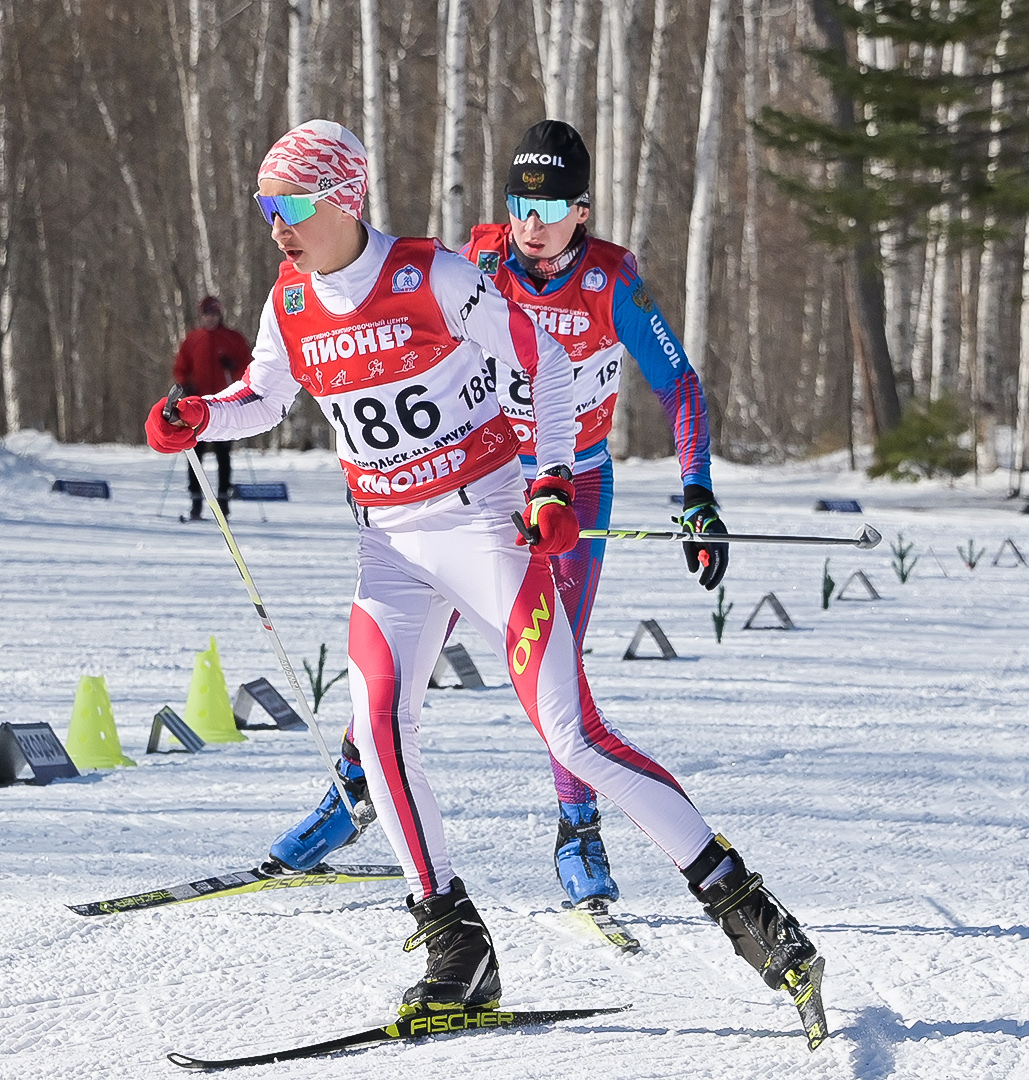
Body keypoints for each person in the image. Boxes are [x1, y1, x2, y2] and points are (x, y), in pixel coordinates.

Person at [145, 119, 819, 1030]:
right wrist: (197, 417)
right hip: (388, 546)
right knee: (380, 728)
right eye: (268, 207)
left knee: (572, 735)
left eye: (293, 205)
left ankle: (745, 907)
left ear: (346, 200)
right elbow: (265, 396)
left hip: (484, 526)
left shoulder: (435, 276)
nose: (277, 225)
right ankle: (456, 945)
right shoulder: (289, 300)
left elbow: (538, 365)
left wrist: (547, 480)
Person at [265, 120, 730, 918]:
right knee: (403, 645)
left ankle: (577, 827)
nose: (532, 222)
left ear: (582, 211)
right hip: (482, 479)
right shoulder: (475, 260)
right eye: (520, 202)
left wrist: (697, 491)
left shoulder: (616, 281)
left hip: (572, 485)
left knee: (558, 660)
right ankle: (353, 793)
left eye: (551, 207)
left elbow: (679, 385)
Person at [171, 296, 253, 519]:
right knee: (195, 452)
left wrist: (234, 367)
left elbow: (247, 369)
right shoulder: (193, 339)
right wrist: (184, 384)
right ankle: (196, 501)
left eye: (215, 314)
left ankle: (223, 501)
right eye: (208, 314)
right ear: (202, 315)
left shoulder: (232, 338)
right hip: (197, 405)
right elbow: (181, 367)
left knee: (223, 453)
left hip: (223, 405)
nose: (211, 318)